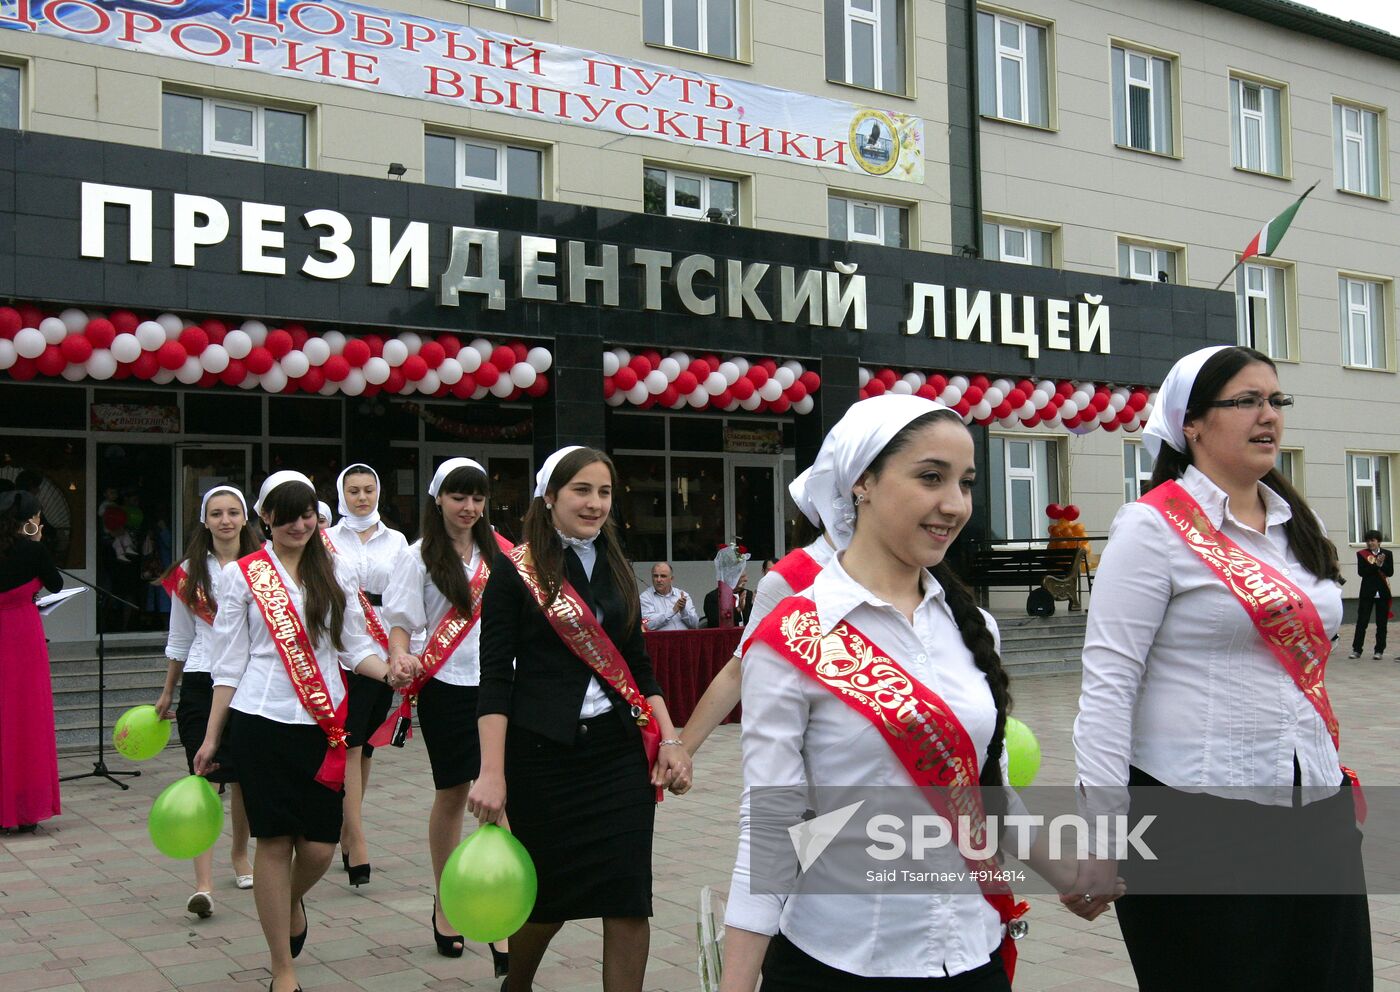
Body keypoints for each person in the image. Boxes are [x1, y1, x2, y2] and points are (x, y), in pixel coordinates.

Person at [722, 397, 1117, 992]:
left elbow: (988, 794)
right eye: (931, 477)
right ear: (863, 483)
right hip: (840, 961)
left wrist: (1068, 874)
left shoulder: (974, 628)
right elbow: (772, 821)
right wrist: (735, 983)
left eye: (966, 482)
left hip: (972, 954)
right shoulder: (794, 637)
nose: (955, 504)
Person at [1071, 345, 1370, 990]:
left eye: (1275, 400)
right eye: (1246, 401)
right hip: (1195, 815)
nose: (1268, 416)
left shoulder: (1298, 523)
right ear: (1193, 425)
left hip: (1316, 804)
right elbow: (1107, 687)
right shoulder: (1151, 528)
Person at [467, 446, 691, 992]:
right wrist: (491, 772)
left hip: (617, 754)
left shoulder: (616, 561)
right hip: (543, 755)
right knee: (545, 900)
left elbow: (638, 663)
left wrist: (670, 739)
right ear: (550, 497)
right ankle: (514, 985)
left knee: (628, 899)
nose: (595, 504)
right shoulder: (514, 571)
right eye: (581, 491)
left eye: (605, 493)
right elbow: (494, 677)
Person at [195, 471, 410, 992]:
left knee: (318, 845)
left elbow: (354, 647)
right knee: (272, 841)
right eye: (285, 514)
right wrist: (211, 736)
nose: (298, 523)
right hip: (260, 720)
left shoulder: (334, 572)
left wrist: (392, 671)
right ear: (264, 518)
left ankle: (288, 900)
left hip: (323, 723)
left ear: (318, 518)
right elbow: (228, 663)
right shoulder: (244, 576)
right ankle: (282, 969)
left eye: (307, 514)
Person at [381, 458, 511, 977]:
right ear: (438, 499)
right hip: (446, 686)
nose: (469, 508)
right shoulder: (418, 558)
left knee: (503, 793)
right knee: (455, 793)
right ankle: (447, 901)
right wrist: (398, 657)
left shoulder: (502, 554)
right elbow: (401, 621)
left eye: (477, 499)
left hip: (501, 685)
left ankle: (502, 912)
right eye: (459, 497)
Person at [152, 486, 261, 918]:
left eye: (234, 512)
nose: (226, 520)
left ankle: (239, 855)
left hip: (250, 682)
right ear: (205, 520)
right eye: (216, 513)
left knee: (245, 780)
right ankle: (203, 884)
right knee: (202, 777)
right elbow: (180, 638)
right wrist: (167, 690)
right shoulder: (187, 573)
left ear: (245, 519)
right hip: (200, 681)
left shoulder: (262, 568)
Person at [324, 464, 408, 887]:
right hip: (345, 645)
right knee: (351, 744)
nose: (362, 497)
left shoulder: (396, 540)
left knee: (368, 744)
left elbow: (407, 593)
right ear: (342, 494)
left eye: (369, 489)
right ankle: (357, 840)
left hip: (385, 646)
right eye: (354, 490)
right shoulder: (327, 539)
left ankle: (346, 825)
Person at [0, 490, 63, 834]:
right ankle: (25, 810)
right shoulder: (32, 548)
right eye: (38, 517)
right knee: (27, 717)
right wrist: (36, 540)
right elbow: (55, 584)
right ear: (27, 520)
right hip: (22, 635)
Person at [1349, 528, 1391, 659]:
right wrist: (1377, 565)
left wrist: (1382, 564)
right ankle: (1357, 650)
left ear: (1379, 541)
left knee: (1381, 623)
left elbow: (1390, 572)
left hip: (1383, 593)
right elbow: (1362, 572)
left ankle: (1379, 651)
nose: (1370, 543)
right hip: (1367, 592)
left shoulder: (1387, 553)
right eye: (1368, 541)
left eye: (1373, 540)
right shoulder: (1362, 554)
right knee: (1362, 622)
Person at [639, 562, 698, 630]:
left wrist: (683, 611)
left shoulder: (682, 595)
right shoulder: (645, 597)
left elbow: (696, 625)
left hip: (685, 639)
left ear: (671, 579)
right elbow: (647, 625)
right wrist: (673, 611)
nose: (658, 580)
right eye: (655, 576)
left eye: (663, 576)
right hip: (660, 639)